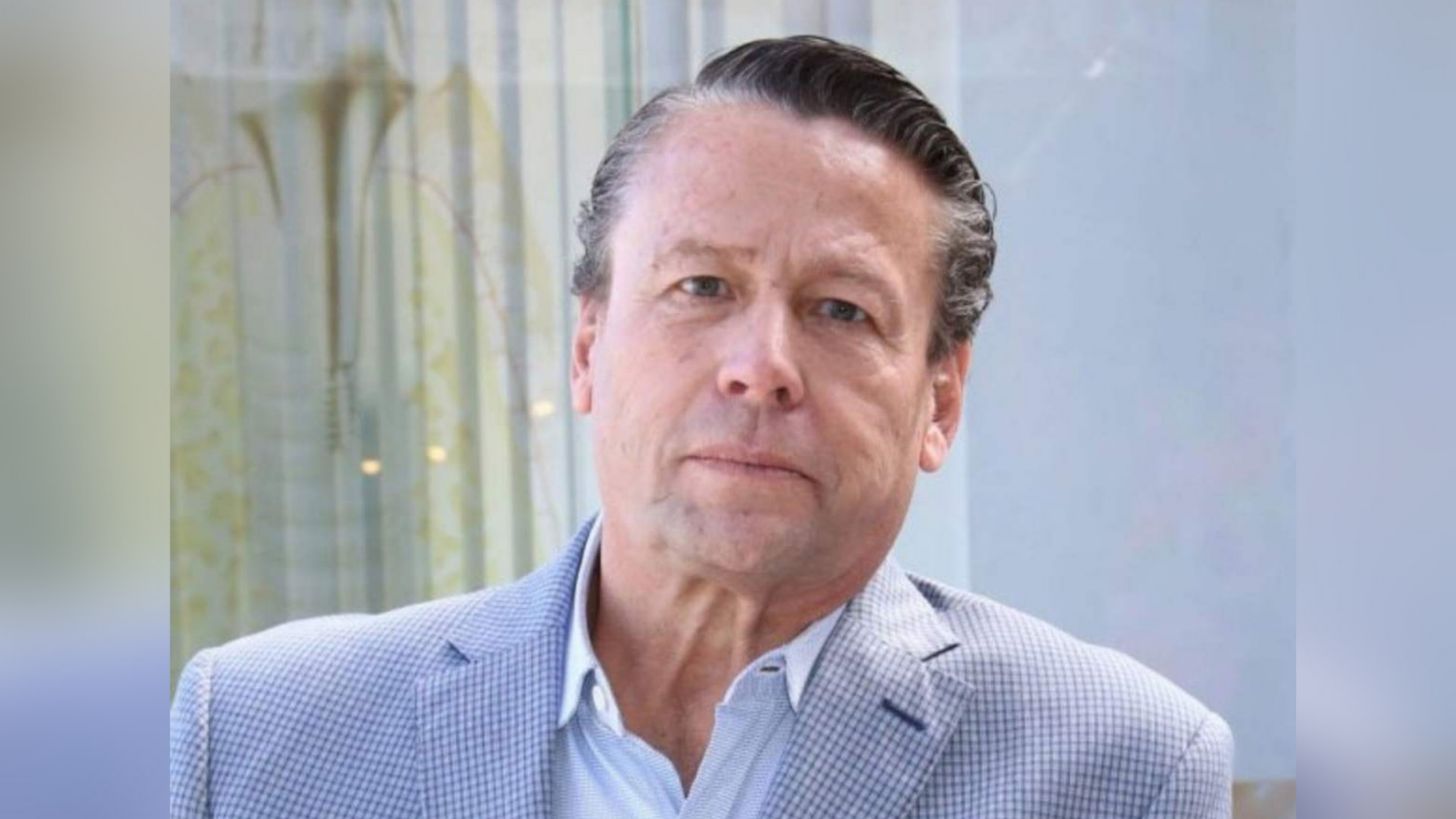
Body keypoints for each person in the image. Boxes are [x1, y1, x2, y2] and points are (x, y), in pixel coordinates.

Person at [170, 36, 1232, 818]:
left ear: (939, 400)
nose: (761, 367)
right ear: (588, 346)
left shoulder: (1120, 767)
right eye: (702, 286)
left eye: (840, 310)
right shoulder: (263, 734)